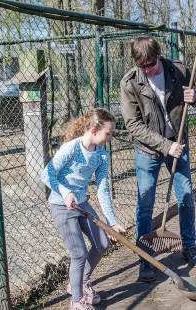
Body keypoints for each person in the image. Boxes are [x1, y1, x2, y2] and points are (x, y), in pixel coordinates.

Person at [120, 35, 196, 282]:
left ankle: (189, 246)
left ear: (159, 54)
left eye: (151, 64)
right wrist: (166, 146)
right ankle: (145, 258)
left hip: (180, 143)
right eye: (142, 66)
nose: (148, 69)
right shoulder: (130, 83)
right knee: (145, 203)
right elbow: (133, 125)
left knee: (186, 196)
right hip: (149, 151)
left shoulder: (178, 70)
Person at [41, 108, 126, 310]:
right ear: (95, 131)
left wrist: (112, 222)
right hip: (62, 205)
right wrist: (65, 192)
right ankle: (77, 301)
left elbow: (103, 190)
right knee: (78, 253)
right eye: (109, 133)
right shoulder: (71, 148)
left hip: (82, 204)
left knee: (102, 243)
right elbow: (46, 174)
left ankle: (79, 283)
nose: (111, 138)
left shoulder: (102, 157)